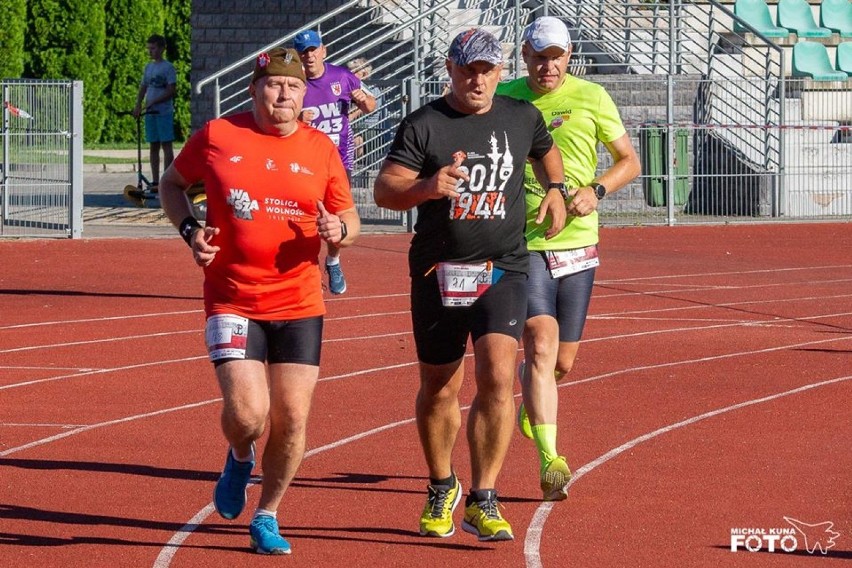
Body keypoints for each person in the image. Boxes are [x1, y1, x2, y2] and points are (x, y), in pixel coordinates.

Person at [157, 47, 360, 555]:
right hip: (232, 298)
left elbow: (349, 217)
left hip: (299, 303)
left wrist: (340, 230)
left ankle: (267, 513)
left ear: (302, 94)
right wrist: (189, 230)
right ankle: (239, 452)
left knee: (292, 419)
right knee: (249, 414)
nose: (284, 95)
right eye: (273, 85)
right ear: (255, 89)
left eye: (293, 87)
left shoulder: (320, 149)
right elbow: (172, 183)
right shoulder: (219, 136)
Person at [374, 28, 567, 542]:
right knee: (440, 386)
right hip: (438, 269)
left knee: (499, 378)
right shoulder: (425, 125)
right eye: (467, 70)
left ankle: (485, 496)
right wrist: (425, 187)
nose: (477, 79)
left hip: (502, 266)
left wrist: (555, 190)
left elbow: (546, 152)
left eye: (486, 70)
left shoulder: (521, 115)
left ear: (501, 72)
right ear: (450, 70)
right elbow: (384, 191)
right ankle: (442, 485)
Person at [496, 16, 641, 501]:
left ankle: (534, 403)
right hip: (525, 242)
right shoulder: (508, 97)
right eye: (538, 57)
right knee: (539, 342)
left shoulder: (593, 97)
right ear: (524, 56)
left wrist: (597, 190)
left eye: (555, 57)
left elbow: (629, 161)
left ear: (569, 55)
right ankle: (550, 460)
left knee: (563, 363)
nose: (547, 66)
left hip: (579, 243)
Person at [294, 29, 376, 295]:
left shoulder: (342, 76)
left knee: (336, 216)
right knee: (302, 216)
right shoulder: (294, 83)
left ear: (323, 51)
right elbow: (275, 119)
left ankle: (333, 261)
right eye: (304, 52)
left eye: (313, 50)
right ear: (298, 55)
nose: (310, 56)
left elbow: (370, 105)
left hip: (339, 158)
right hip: (304, 159)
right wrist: (297, 120)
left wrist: (363, 101)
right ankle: (303, 268)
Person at [132, 34, 177, 191]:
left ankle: (168, 179)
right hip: (150, 113)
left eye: (153, 48)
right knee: (153, 146)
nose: (150, 51)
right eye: (148, 49)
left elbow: (171, 90)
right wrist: (138, 105)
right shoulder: (148, 67)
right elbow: (143, 87)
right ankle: (156, 181)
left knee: (166, 145)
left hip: (163, 112)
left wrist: (154, 101)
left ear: (162, 48)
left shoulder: (168, 67)